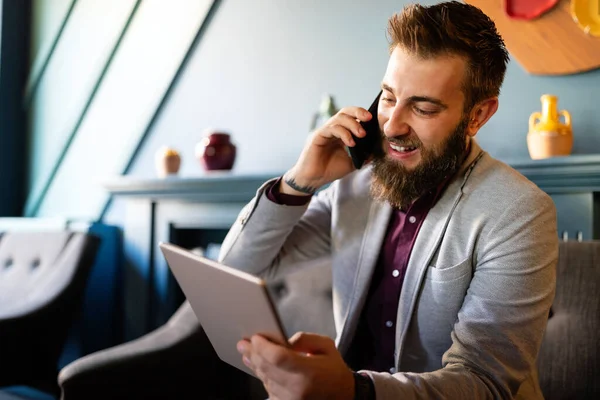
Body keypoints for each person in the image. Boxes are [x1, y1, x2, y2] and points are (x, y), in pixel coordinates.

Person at [219, 1, 558, 399]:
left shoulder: (519, 212)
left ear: (477, 115)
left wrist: (353, 390)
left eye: (423, 107)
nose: (393, 125)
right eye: (387, 96)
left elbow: (484, 382)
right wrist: (300, 181)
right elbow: (235, 270)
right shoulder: (355, 185)